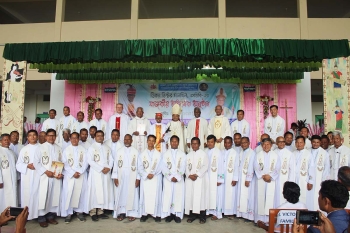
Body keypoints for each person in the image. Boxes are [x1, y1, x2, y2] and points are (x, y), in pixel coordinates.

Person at [33, 129, 63, 227]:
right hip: (44, 177)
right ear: (46, 137)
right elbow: (36, 163)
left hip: (55, 177)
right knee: (43, 196)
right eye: (49, 135)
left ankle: (50, 216)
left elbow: (62, 162)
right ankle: (41, 217)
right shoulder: (40, 147)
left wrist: (60, 173)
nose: (51, 137)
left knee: (53, 196)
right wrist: (46, 171)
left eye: (53, 135)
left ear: (56, 136)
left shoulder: (59, 148)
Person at [86, 130, 114, 222]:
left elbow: (111, 159)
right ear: (95, 137)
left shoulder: (107, 147)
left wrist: (109, 167)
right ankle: (93, 212)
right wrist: (101, 168)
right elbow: (90, 161)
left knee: (104, 191)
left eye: (102, 136)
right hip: (96, 173)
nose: (100, 137)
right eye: (98, 136)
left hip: (105, 173)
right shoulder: (91, 148)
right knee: (95, 192)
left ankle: (101, 211)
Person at [60, 132, 88, 223]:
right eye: (72, 138)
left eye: (76, 138)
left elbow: (86, 162)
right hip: (70, 176)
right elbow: (64, 164)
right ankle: (69, 213)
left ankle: (79, 212)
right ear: (70, 139)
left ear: (79, 138)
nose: (74, 140)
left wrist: (79, 172)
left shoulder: (83, 149)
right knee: (69, 193)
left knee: (80, 193)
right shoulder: (66, 150)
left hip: (81, 174)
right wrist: (72, 173)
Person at [112, 134, 140, 222]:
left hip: (133, 176)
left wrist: (138, 178)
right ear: (123, 140)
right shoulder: (119, 151)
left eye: (128, 139)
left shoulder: (136, 152)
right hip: (121, 176)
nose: (127, 141)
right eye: (125, 139)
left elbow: (139, 166)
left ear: (132, 141)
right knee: (122, 194)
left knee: (132, 194)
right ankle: (122, 212)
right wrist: (115, 177)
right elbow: (116, 165)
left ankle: (132, 213)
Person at [254, 138, 281, 225]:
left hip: (270, 180)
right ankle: (260, 218)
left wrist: (270, 176)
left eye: (268, 144)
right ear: (262, 145)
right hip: (261, 179)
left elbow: (277, 168)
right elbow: (256, 166)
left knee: (270, 198)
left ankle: (269, 219)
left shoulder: (275, 155)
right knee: (261, 197)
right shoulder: (258, 155)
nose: (266, 146)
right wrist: (263, 175)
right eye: (264, 145)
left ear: (271, 145)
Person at [161, 135, 186, 223]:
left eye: (176, 141)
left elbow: (184, 166)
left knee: (178, 196)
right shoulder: (165, 154)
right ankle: (169, 214)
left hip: (178, 179)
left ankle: (177, 215)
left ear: (178, 143)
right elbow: (163, 167)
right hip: (169, 179)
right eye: (172, 141)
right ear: (170, 142)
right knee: (168, 196)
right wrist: (170, 177)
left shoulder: (182, 154)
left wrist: (178, 176)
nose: (174, 143)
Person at [138, 135, 162, 222]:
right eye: (149, 140)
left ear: (155, 142)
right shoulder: (142, 155)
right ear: (147, 141)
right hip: (146, 179)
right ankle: (145, 214)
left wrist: (153, 173)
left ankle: (156, 214)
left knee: (156, 195)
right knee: (146, 195)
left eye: (153, 141)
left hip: (156, 177)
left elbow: (161, 166)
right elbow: (140, 167)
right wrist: (146, 174)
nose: (151, 142)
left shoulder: (159, 154)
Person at [185, 137, 209, 224]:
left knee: (200, 198)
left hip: (200, 180)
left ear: (199, 144)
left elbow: (205, 166)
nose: (194, 145)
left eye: (196, 143)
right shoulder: (188, 155)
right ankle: (192, 216)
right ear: (191, 144)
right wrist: (189, 175)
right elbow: (185, 167)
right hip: (190, 180)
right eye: (193, 143)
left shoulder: (203, 154)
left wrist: (197, 174)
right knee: (191, 198)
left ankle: (202, 217)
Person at [16, 130, 39, 219]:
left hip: (38, 175)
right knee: (27, 194)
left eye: (34, 135)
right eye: (30, 135)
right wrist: (27, 166)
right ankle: (27, 215)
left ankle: (38, 215)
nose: (32, 137)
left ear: (37, 136)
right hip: (27, 176)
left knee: (38, 195)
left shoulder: (41, 148)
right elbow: (18, 164)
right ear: (27, 138)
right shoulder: (24, 149)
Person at [306, 135, 330, 211]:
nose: (315, 144)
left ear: (320, 143)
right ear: (311, 142)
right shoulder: (307, 151)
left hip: (319, 179)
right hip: (308, 179)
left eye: (317, 142)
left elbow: (327, 169)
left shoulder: (325, 153)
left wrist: (323, 181)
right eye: (314, 142)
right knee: (308, 197)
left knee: (317, 197)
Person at [236, 137, 256, 221]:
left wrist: (248, 179)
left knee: (248, 196)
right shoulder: (241, 152)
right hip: (241, 177)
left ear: (249, 143)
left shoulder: (252, 153)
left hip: (248, 178)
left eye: (245, 142)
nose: (243, 144)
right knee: (241, 195)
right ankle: (241, 213)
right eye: (242, 143)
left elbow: (251, 166)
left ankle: (248, 215)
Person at [206, 135, 224, 220]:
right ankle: (209, 211)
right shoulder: (205, 151)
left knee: (216, 195)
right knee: (208, 194)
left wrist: (220, 179)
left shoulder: (218, 152)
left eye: (211, 142)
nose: (210, 143)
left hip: (215, 177)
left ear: (215, 142)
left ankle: (217, 213)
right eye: (208, 142)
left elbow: (221, 166)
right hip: (207, 177)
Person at [274, 136, 296, 206]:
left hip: (285, 178)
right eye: (280, 142)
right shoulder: (273, 153)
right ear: (276, 143)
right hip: (274, 179)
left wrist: (290, 181)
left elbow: (292, 169)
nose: (282, 143)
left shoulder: (289, 154)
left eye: (283, 142)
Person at [222, 136, 240, 220]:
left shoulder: (235, 153)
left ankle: (230, 212)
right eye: (225, 142)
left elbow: (236, 166)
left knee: (230, 194)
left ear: (232, 143)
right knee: (222, 194)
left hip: (230, 176)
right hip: (223, 177)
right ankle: (222, 211)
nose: (227, 144)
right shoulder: (221, 152)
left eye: (229, 142)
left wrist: (235, 178)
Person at [293, 136, 314, 205]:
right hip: (294, 178)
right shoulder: (292, 154)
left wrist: (310, 181)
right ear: (295, 143)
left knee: (303, 197)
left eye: (301, 142)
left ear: (304, 143)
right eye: (297, 142)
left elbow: (311, 168)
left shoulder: (308, 154)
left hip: (304, 179)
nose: (299, 144)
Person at [0, 134, 18, 213]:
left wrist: (17, 177)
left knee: (13, 196)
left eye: (8, 139)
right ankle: (3, 214)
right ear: (1, 141)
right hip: (4, 179)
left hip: (13, 178)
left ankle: (12, 213)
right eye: (5, 140)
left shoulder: (12, 152)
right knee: (3, 197)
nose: (7, 141)